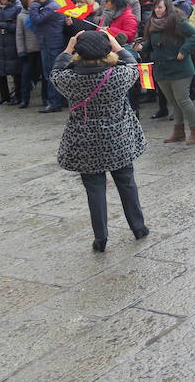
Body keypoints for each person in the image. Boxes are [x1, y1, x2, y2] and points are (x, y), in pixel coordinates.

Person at [50, 30, 148, 252]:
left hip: (85, 140)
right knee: (127, 182)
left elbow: (55, 71)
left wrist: (68, 48)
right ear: (107, 50)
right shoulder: (118, 75)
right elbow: (133, 63)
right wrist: (117, 45)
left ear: (79, 51)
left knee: (94, 188)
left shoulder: (68, 79)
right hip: (117, 139)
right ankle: (138, 227)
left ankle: (101, 237)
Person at [137, 0, 195, 145]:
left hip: (180, 68)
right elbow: (152, 44)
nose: (157, 10)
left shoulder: (177, 21)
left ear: (167, 8)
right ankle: (178, 132)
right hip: (161, 69)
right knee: (173, 102)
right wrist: (142, 47)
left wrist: (184, 51)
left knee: (183, 100)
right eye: (156, 7)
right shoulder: (152, 23)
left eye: (160, 7)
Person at [29, 0, 66, 112]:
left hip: (51, 45)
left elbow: (36, 20)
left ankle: (55, 103)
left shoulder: (51, 7)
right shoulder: (49, 6)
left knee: (51, 74)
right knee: (50, 74)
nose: (32, 0)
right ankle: (56, 101)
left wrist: (34, 6)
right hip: (48, 44)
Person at [0, 0, 22, 105]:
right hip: (1, 43)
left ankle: (18, 95)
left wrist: (4, 25)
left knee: (16, 71)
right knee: (0, 71)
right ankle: (4, 95)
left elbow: (18, 26)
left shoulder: (17, 8)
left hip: (12, 42)